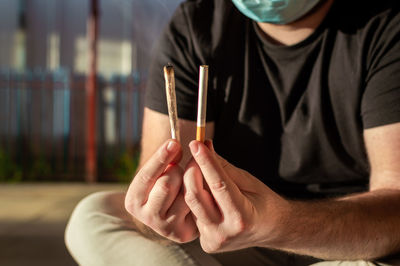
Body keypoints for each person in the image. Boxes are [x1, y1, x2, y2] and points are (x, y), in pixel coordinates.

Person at [65, 0, 400, 265]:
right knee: (95, 217)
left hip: (349, 246)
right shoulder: (197, 23)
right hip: (229, 245)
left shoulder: (386, 23)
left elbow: (394, 209)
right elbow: (159, 194)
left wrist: (279, 224)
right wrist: (160, 215)